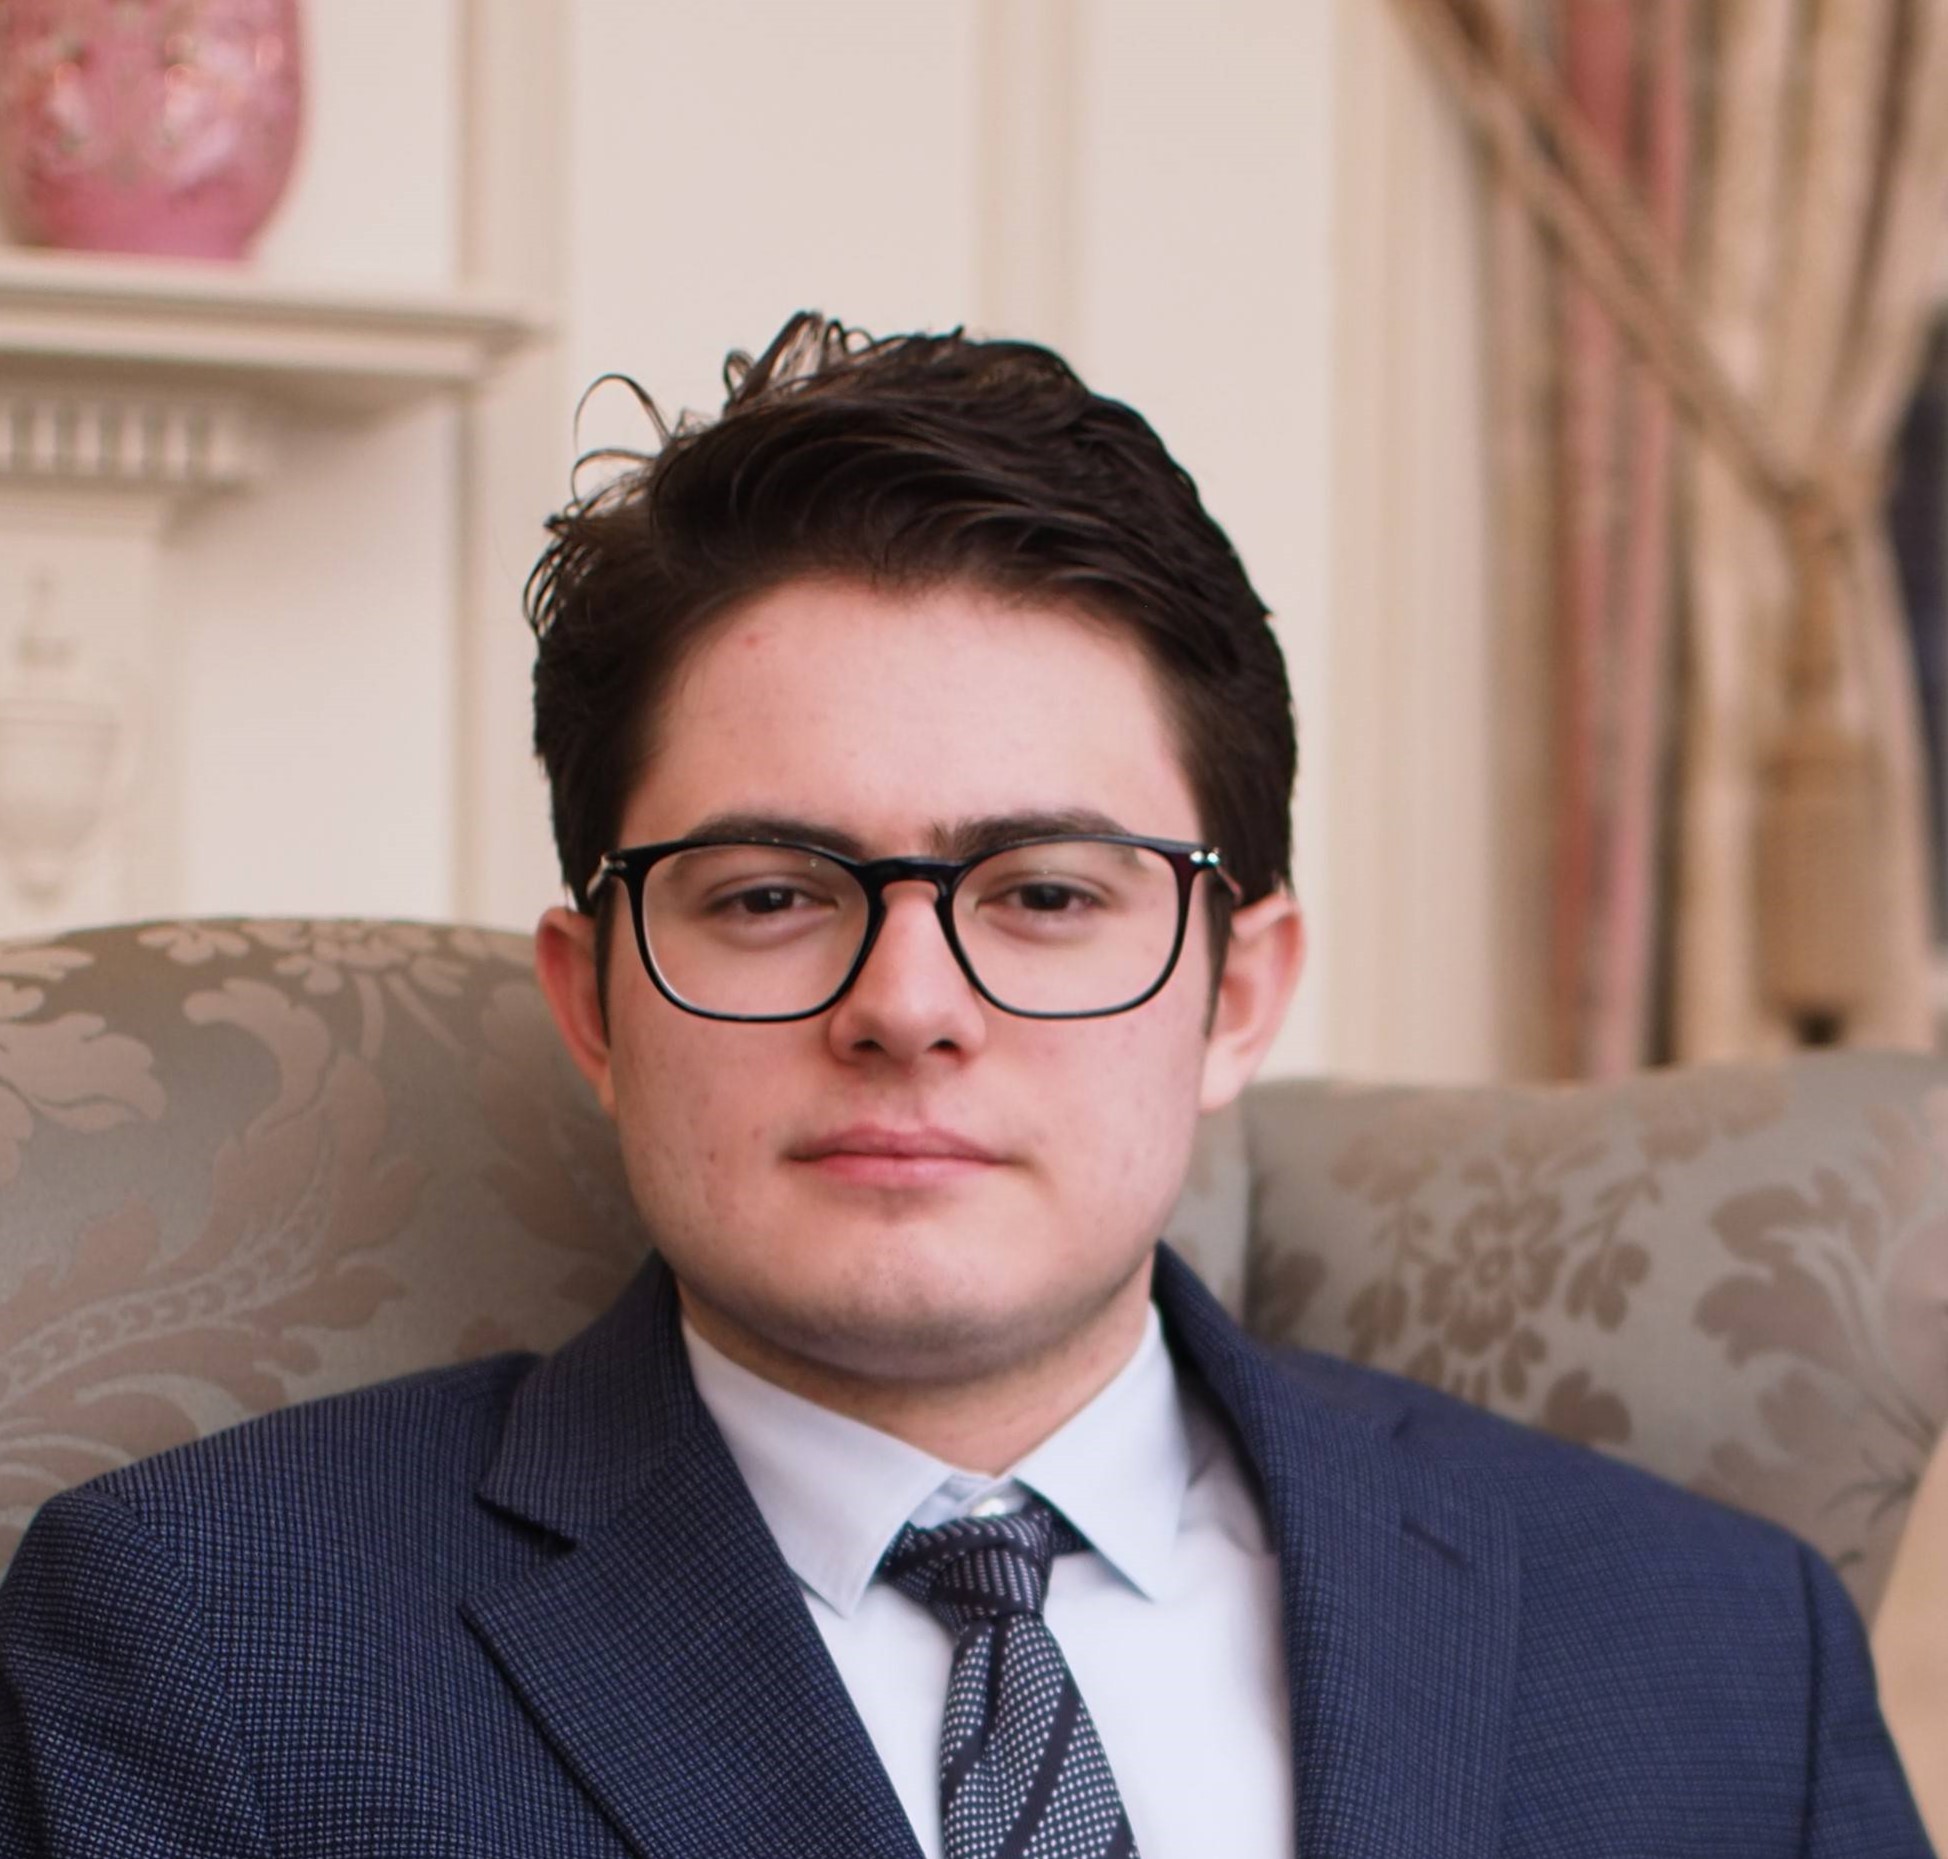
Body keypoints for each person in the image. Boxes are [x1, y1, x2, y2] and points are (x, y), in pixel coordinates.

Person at [0, 312, 1931, 1859]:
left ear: (1239, 993)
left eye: (1048, 895)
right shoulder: (205, 1635)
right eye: (770, 897)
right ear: (593, 1005)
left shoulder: (1719, 1649)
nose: (908, 1007)